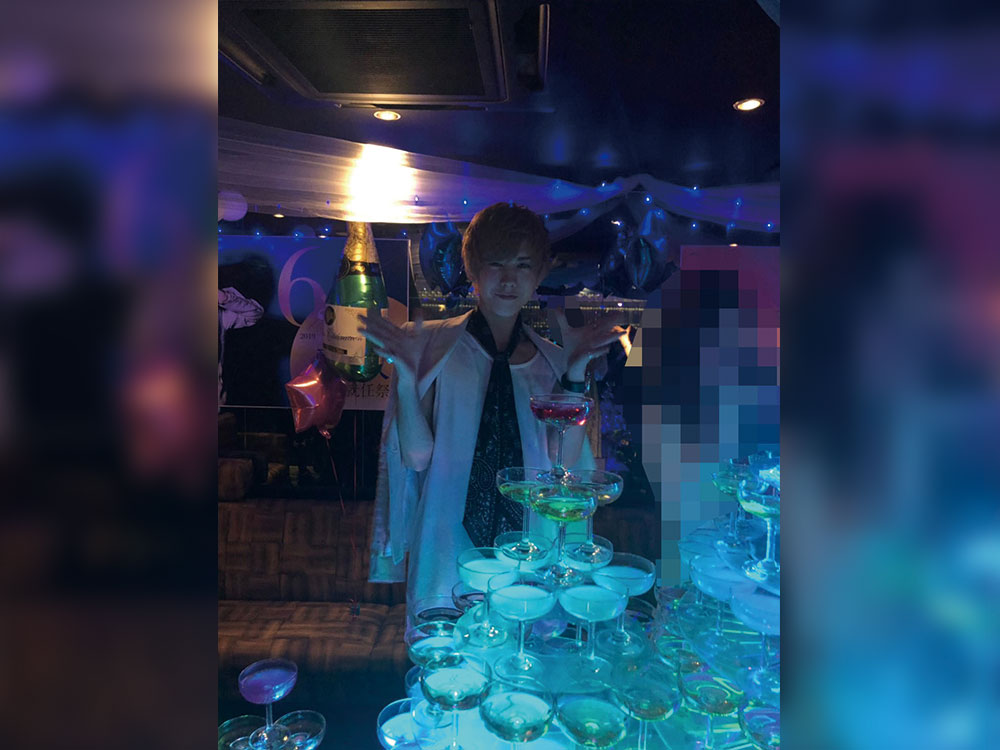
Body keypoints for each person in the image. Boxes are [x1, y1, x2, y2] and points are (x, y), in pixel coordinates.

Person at [360, 202, 623, 619]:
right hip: (446, 549)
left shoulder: (551, 362)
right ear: (473, 268)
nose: (508, 278)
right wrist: (407, 382)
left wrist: (574, 373)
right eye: (496, 263)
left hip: (531, 553)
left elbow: (565, 458)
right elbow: (416, 457)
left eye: (523, 265)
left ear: (539, 273)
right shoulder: (435, 349)